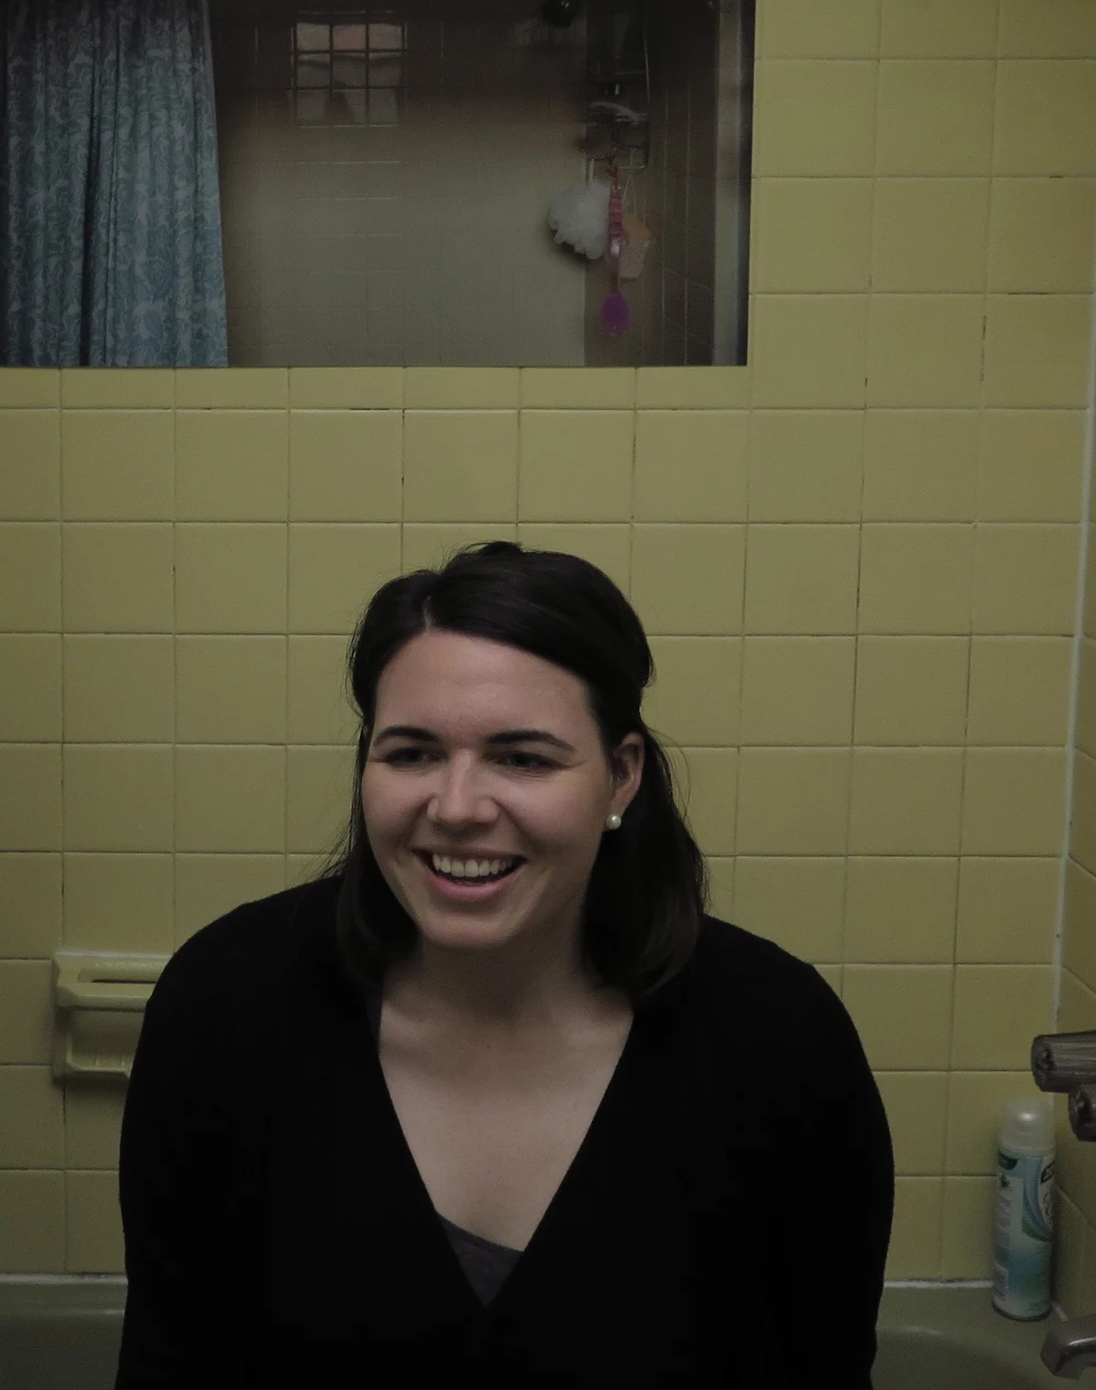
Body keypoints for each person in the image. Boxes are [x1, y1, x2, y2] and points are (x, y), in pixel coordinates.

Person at [115, 542, 893, 1387]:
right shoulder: (225, 1008)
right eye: (411, 752)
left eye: (522, 758)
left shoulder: (778, 1042)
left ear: (621, 775)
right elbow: (165, 1359)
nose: (456, 807)